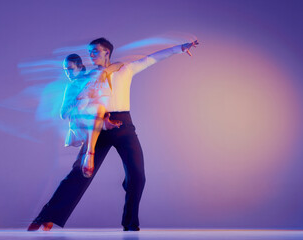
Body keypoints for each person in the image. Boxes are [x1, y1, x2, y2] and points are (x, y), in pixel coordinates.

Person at [27, 37, 198, 232]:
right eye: (90, 52)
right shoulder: (90, 76)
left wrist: (181, 48)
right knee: (80, 173)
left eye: (95, 51)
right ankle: (47, 216)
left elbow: (152, 58)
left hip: (124, 125)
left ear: (107, 52)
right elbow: (83, 102)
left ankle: (131, 224)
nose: (91, 55)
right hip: (100, 125)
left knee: (138, 176)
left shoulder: (125, 69)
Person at [60, 53, 123, 178]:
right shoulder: (71, 86)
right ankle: (90, 152)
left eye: (71, 69)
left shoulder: (92, 77)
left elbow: (120, 64)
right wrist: (74, 102)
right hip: (79, 124)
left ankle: (101, 128)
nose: (68, 73)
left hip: (95, 117)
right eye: (65, 70)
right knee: (94, 109)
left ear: (80, 67)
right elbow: (63, 114)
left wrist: (105, 72)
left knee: (99, 107)